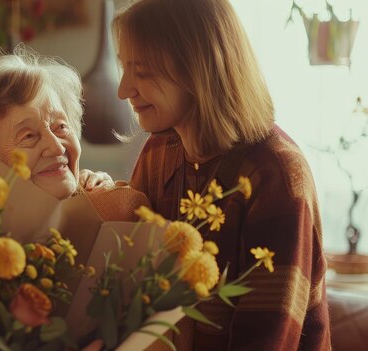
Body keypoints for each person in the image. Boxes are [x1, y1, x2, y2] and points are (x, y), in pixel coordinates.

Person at [114, 0, 331, 350]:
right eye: (124, 68)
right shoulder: (158, 153)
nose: (123, 90)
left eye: (142, 71)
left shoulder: (276, 173)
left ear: (198, 67)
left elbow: (266, 341)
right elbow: (130, 288)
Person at [0, 47, 150, 222]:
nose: (57, 147)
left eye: (61, 127)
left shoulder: (115, 210)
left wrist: (104, 202)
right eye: (28, 136)